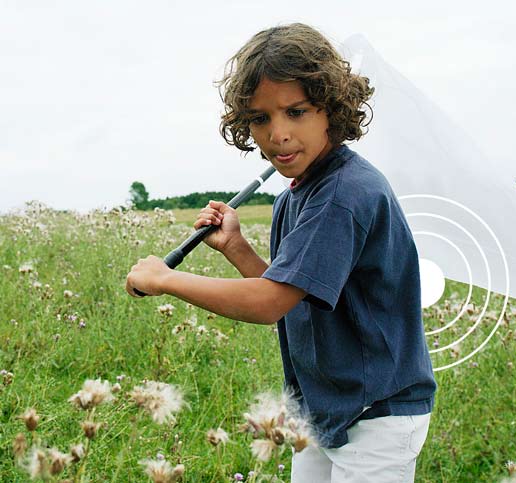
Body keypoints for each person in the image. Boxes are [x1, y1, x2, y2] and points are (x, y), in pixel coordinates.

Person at [126, 22, 436, 483]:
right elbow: (292, 294)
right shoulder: (297, 195)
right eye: (260, 118)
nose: (278, 135)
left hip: (377, 414)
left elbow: (271, 302)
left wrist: (165, 278)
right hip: (326, 405)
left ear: (331, 108)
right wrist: (235, 246)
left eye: (295, 111)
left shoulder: (343, 193)